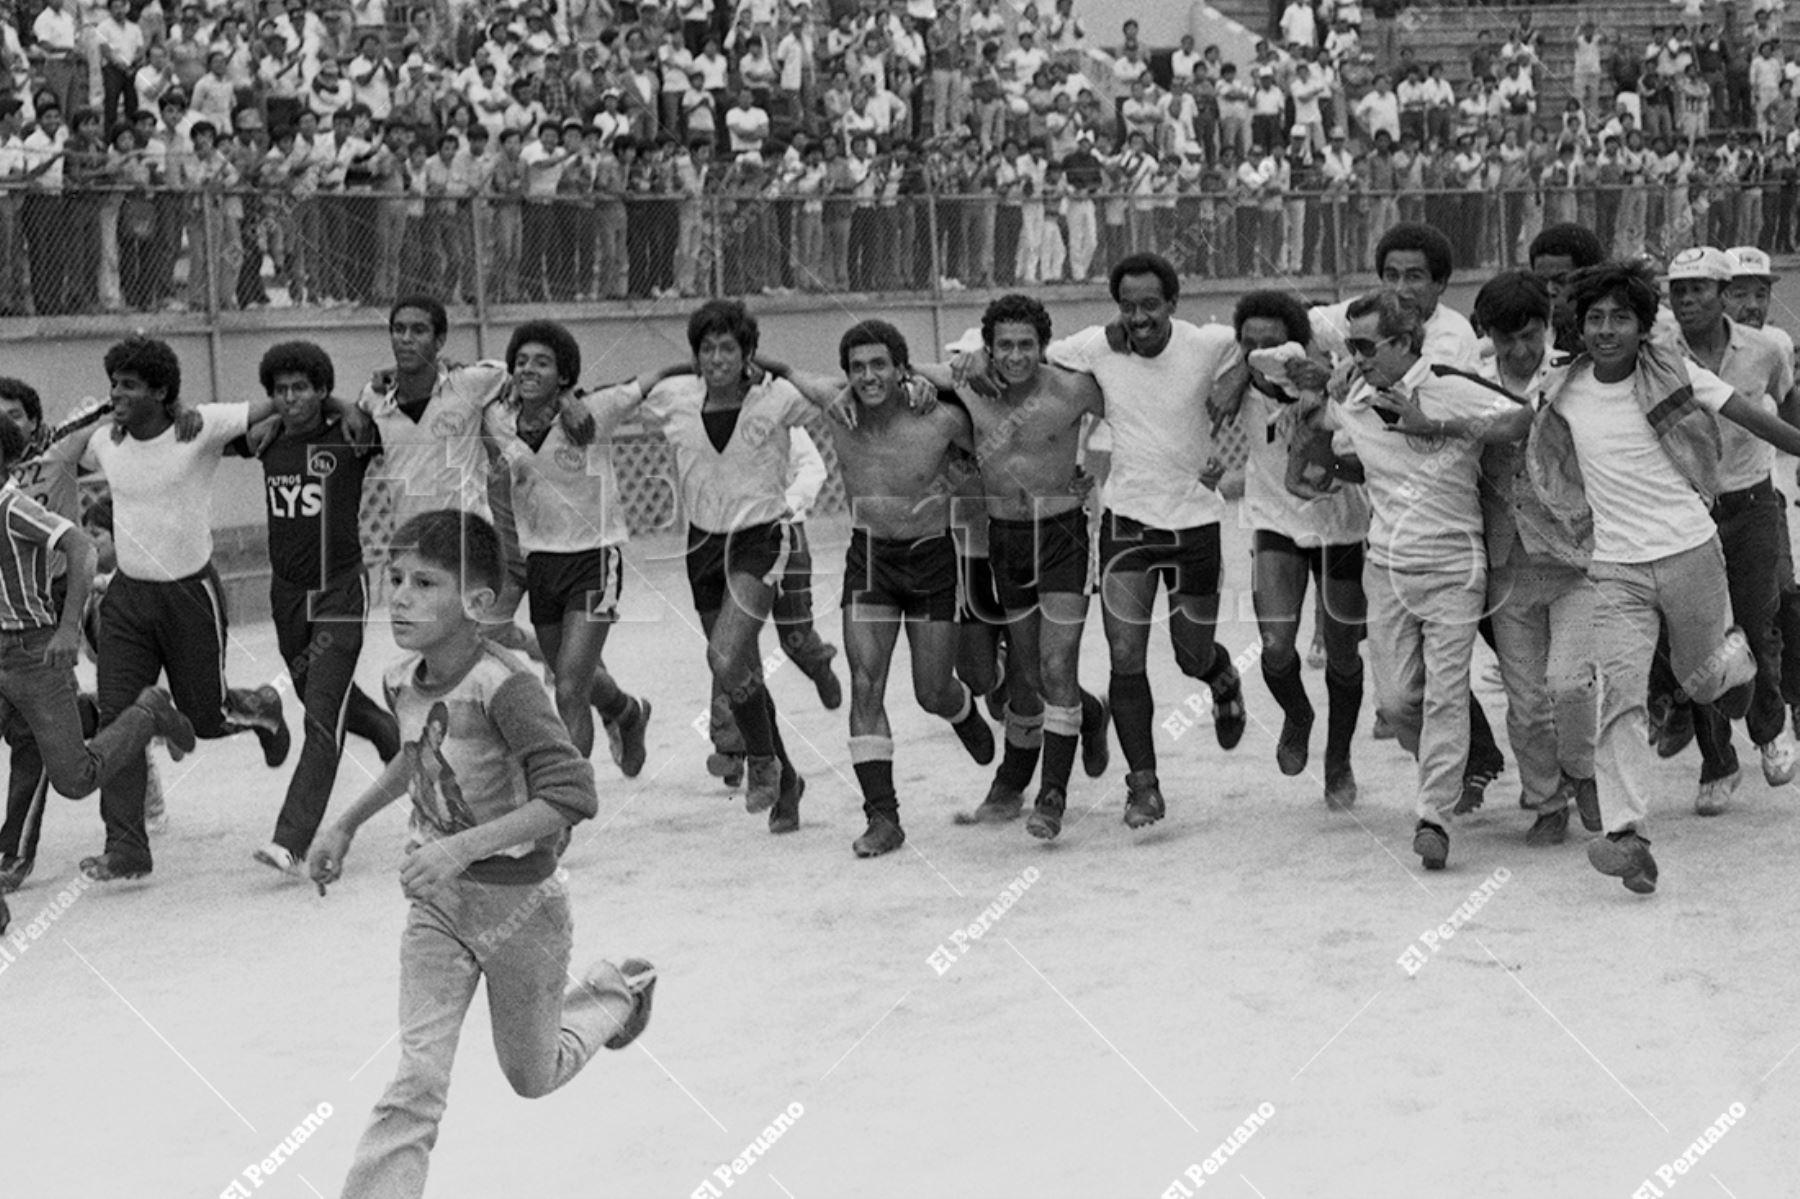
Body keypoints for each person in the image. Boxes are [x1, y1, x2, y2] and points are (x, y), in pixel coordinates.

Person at [307, 508, 655, 1199]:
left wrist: (458, 848)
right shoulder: (402, 678)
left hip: (522, 907)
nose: (400, 596)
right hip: (437, 908)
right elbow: (419, 759)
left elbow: (573, 794)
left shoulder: (509, 686)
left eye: (426, 582)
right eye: (396, 578)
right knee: (417, 1077)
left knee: (532, 1075)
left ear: (479, 603)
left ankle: (619, 990)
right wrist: (344, 822)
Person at [1524, 260, 1800, 894]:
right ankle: (1627, 835)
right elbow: (1521, 423)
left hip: (1690, 553)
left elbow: (1749, 415)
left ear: (1643, 326)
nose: (1606, 330)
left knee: (1704, 685)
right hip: (1615, 567)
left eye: (1621, 318)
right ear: (1579, 327)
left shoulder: (1674, 373)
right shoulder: (1562, 385)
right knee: (1618, 694)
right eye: (1594, 319)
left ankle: (1738, 672)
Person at [78, 337, 320, 881]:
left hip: (190, 596)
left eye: (130, 385)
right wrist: (105, 414)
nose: (117, 393)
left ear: (162, 391)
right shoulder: (104, 441)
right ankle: (127, 848)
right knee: (120, 721)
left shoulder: (201, 427)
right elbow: (58, 446)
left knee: (204, 719)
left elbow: (282, 404)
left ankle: (259, 707)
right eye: (113, 382)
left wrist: (187, 414)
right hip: (126, 602)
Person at [761, 320, 998, 856]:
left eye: (879, 365)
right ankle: (883, 818)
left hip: (932, 558)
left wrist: (933, 386)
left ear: (900, 369)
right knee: (866, 684)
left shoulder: (938, 419)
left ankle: (960, 711)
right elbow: (783, 369)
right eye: (857, 367)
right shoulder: (836, 405)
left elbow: (993, 432)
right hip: (870, 560)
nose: (868, 376)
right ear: (845, 375)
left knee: (931, 690)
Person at [1313, 291, 1531, 871]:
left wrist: (1433, 421)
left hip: (1456, 566)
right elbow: (1319, 416)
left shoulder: (1446, 382)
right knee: (1397, 700)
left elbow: (1519, 418)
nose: (1355, 356)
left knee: (1445, 692)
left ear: (1405, 342)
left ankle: (1433, 814)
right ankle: (1447, 770)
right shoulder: (1354, 397)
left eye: (1364, 346)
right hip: (1384, 566)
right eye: (1350, 346)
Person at [1041, 254, 1251, 828]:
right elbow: (1036, 357)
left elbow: (1274, 336)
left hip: (1194, 522)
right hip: (1128, 522)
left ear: (1174, 304)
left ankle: (1222, 677)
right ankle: (1144, 787)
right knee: (1125, 655)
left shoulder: (1207, 344)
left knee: (1190, 654)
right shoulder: (1096, 346)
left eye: (1150, 305)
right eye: (1128, 306)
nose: (1138, 318)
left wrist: (1241, 371)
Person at [917, 295, 1114, 840]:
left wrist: (1095, 475)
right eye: (1004, 345)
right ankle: (1090, 716)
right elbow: (902, 371)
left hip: (1062, 533)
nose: (1016, 355)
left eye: (1026, 344)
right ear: (989, 346)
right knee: (1028, 673)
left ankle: (1051, 796)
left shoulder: (1073, 388)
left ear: (1043, 346)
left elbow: (1134, 410)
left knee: (1054, 667)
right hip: (1003, 539)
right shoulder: (970, 388)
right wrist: (964, 364)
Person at [225, 342, 401, 877]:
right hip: (287, 596)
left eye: (301, 388)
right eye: (280, 390)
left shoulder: (347, 436)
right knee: (333, 700)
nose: (290, 398)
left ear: (321, 390)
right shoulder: (266, 440)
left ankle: (291, 839)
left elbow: (375, 411)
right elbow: (206, 431)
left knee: (322, 719)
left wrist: (344, 408)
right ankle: (405, 748)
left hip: (340, 591)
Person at [639, 301, 814, 828]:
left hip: (759, 538)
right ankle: (787, 778)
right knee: (740, 672)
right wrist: (668, 369)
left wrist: (778, 367)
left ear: (747, 355)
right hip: (702, 547)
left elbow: (833, 395)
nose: (717, 358)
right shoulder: (676, 398)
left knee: (726, 656)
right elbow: (622, 397)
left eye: (728, 348)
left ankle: (762, 761)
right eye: (707, 348)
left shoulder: (775, 396)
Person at [1655, 246, 1800, 814]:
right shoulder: (1660, 352)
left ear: (1722, 294)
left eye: (1700, 290)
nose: (1688, 300)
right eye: (1679, 291)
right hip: (1687, 510)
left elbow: (1787, 407)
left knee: (1758, 620)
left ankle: (1769, 729)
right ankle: (1717, 761)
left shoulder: (1768, 347)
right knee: (1699, 640)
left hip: (1754, 501)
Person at [487, 320, 661, 769]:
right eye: (521, 362)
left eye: (542, 363)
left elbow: (655, 377)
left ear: (564, 375)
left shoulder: (594, 412)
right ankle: (627, 711)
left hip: (595, 561)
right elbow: (457, 380)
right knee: (576, 675)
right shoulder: (498, 419)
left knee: (567, 687)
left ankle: (563, 803)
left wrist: (571, 400)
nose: (529, 369)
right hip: (541, 564)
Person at [1470, 272, 1599, 845]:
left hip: (1574, 559)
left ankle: (1584, 772)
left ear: (1547, 326)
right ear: (1488, 335)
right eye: (1506, 339)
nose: (1520, 350)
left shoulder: (1577, 374)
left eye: (1530, 334)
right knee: (1525, 704)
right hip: (1506, 567)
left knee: (1570, 685)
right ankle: (1546, 801)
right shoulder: (1468, 383)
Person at [1230, 290, 1366, 810]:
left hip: (1340, 525)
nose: (1261, 351)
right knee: (1276, 645)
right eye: (1250, 343)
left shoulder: (1338, 383)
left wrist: (1322, 382)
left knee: (1343, 650)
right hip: (1274, 523)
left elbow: (1350, 343)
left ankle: (1338, 759)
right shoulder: (1236, 384)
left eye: (1274, 341)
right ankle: (1299, 714)